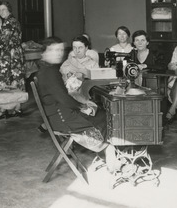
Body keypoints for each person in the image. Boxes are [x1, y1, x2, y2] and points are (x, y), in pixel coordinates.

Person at [35, 36, 118, 172]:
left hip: (56, 115)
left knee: (99, 114)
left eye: (60, 50)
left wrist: (82, 105)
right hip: (62, 119)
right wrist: (82, 107)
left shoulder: (47, 70)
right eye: (53, 50)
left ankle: (105, 153)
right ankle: (108, 152)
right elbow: (63, 98)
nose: (58, 53)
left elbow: (62, 97)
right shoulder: (50, 72)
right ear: (44, 52)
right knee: (102, 116)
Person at [0, 1, 24, 90]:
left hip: (10, 54)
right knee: (16, 77)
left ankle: (7, 101)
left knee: (5, 78)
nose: (1, 12)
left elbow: (4, 38)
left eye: (4, 9)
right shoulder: (14, 20)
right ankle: (17, 101)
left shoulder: (8, 22)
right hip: (16, 52)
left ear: (9, 10)